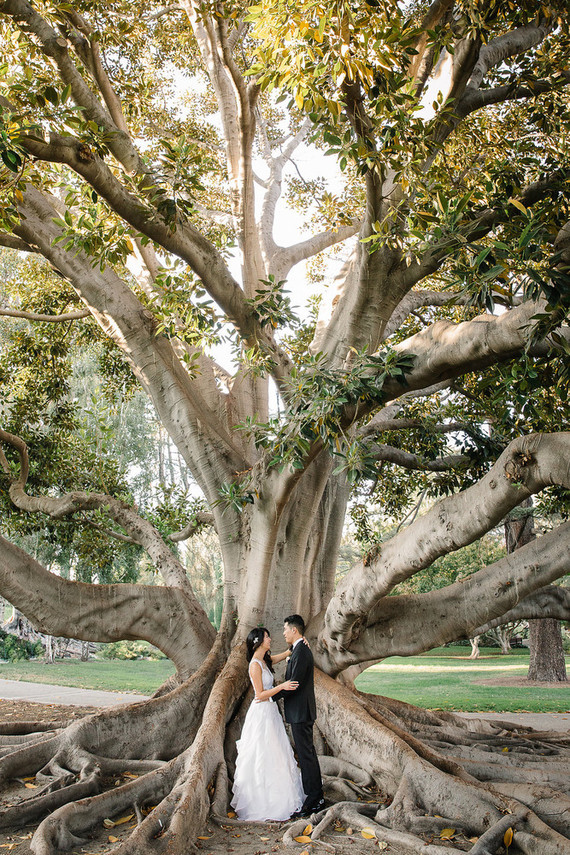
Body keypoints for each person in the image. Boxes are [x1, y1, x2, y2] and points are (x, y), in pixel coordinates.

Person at [230, 627, 305, 821]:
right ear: (258, 641)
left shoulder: (265, 660)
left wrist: (298, 645)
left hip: (271, 713)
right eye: (267, 637)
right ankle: (263, 802)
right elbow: (260, 695)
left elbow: (284, 655)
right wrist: (282, 686)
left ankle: (283, 796)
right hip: (261, 713)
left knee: (277, 751)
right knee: (263, 754)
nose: (270, 639)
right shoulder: (255, 665)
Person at [278, 614, 324, 819]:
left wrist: (270, 696)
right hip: (300, 712)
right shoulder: (298, 650)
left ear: (294, 630)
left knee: (306, 757)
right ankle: (315, 796)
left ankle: (315, 799)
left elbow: (293, 684)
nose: (284, 632)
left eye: (286, 629)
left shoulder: (302, 652)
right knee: (307, 756)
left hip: (301, 713)